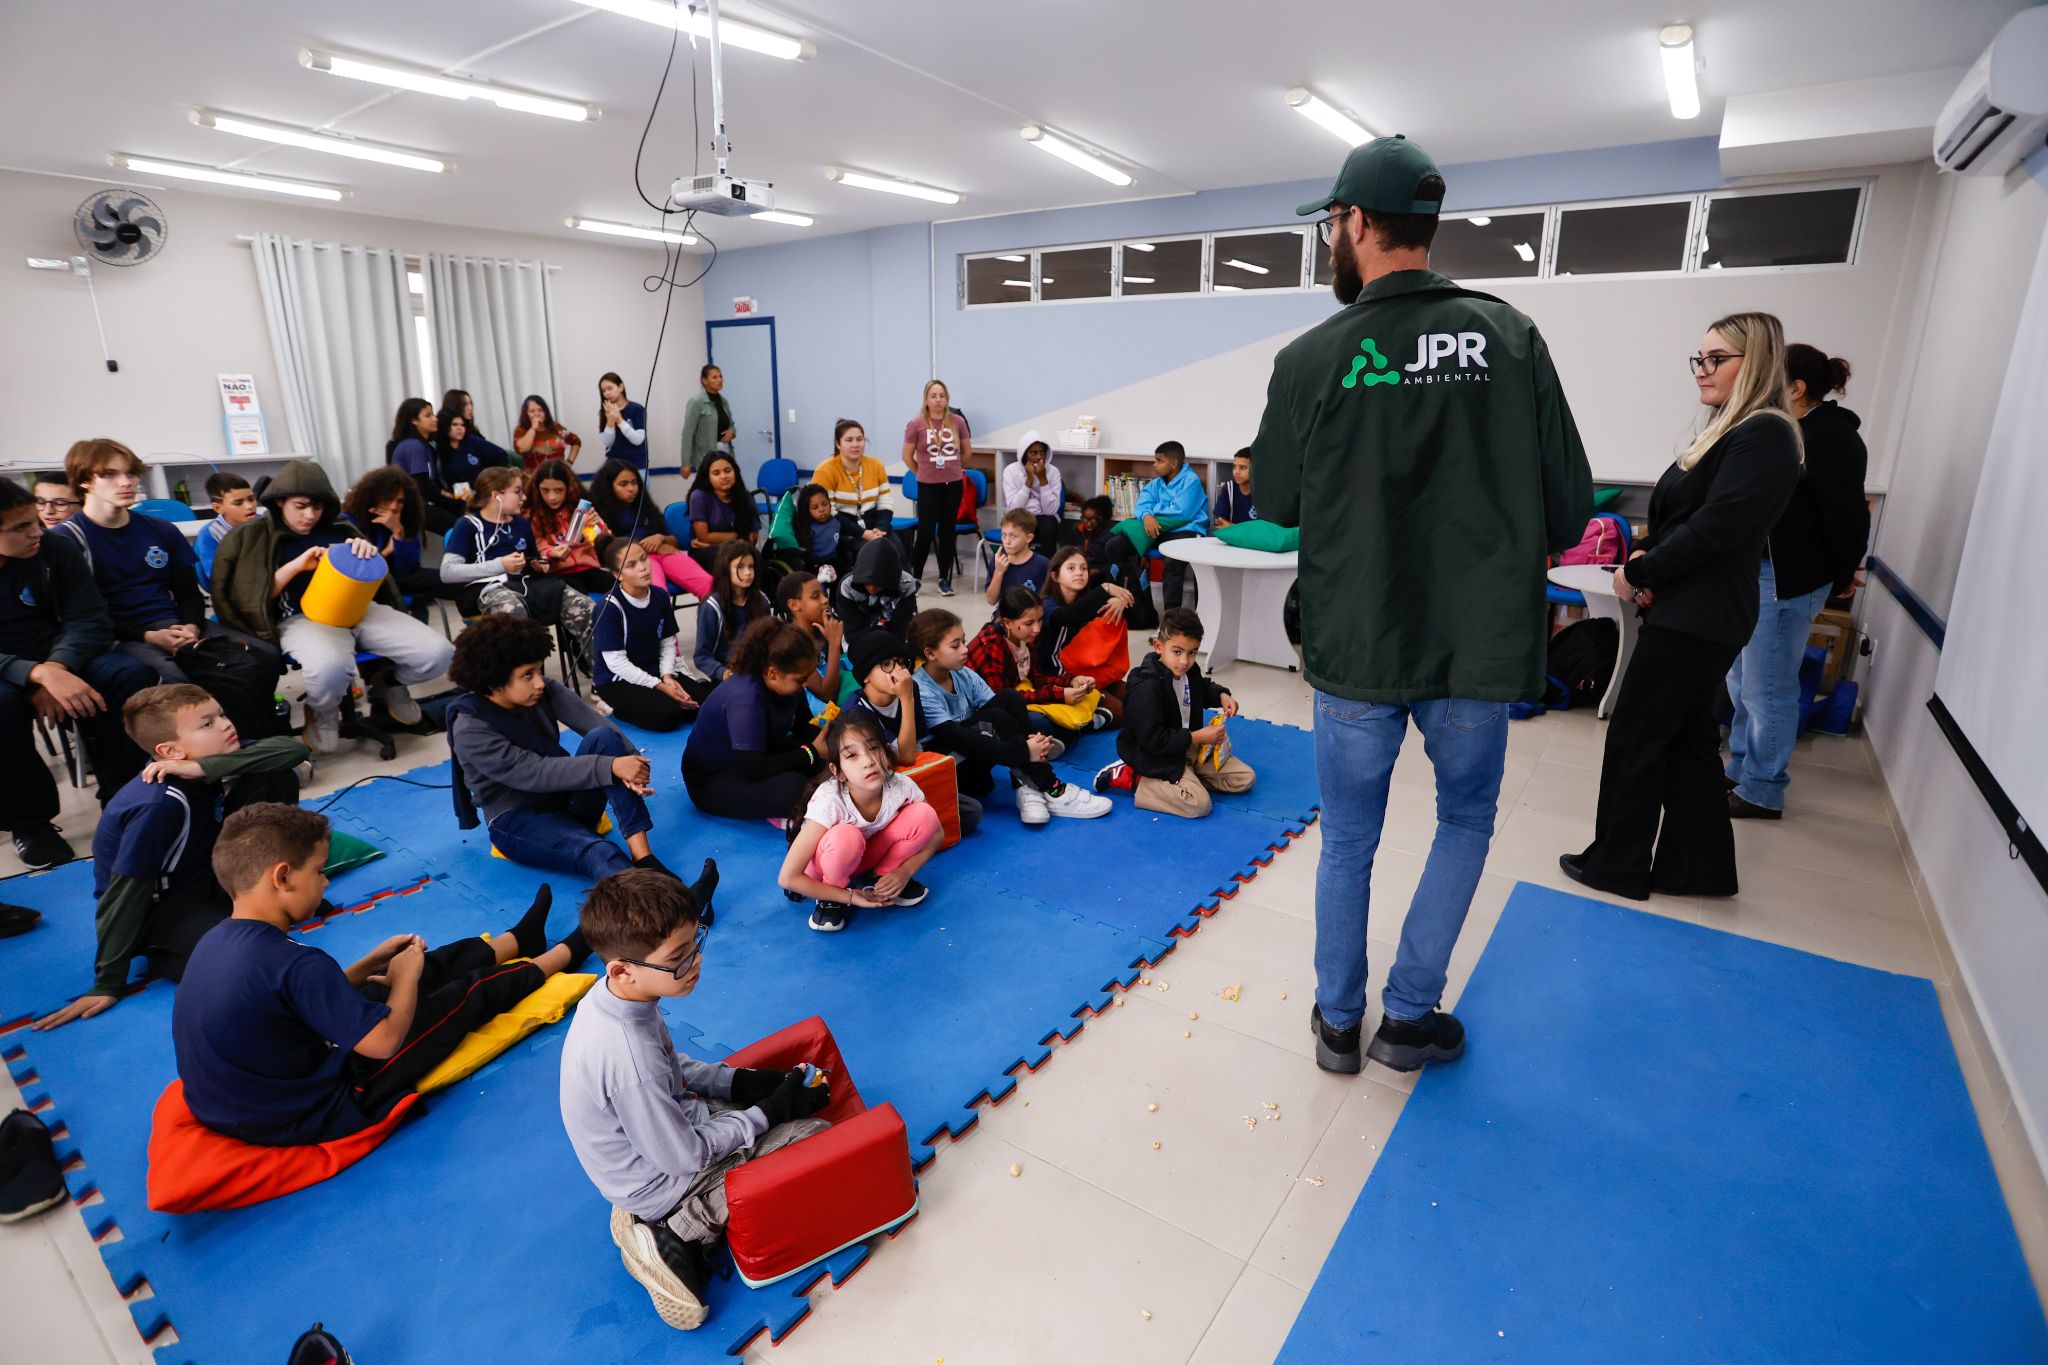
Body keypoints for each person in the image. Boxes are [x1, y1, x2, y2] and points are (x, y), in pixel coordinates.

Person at [1254, 134, 1593, 1076]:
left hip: (1357, 643)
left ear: (1355, 223)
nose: (1332, 234)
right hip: (1476, 652)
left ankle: (1336, 1022)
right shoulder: (1511, 337)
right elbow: (1570, 506)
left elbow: (1277, 503)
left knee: (1348, 837)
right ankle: (1409, 1017)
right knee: (1465, 818)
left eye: (1332, 221)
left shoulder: (1311, 357)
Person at [171, 803, 588, 1147]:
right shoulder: (295, 962)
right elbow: (384, 1043)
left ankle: (518, 940)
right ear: (282, 876)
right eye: (319, 871)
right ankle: (562, 956)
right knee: (460, 998)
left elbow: (291, 998)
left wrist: (369, 965)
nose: (324, 881)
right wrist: (405, 978)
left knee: (392, 973)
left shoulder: (219, 940)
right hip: (317, 1108)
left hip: (246, 1103)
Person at [1563, 313, 1802, 899]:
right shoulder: (1731, 429)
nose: (1703, 370)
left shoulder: (1765, 434)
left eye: (1717, 358)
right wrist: (1646, 551)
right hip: (1691, 608)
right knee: (1688, 740)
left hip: (1700, 616)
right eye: (1699, 359)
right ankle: (1699, 870)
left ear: (1758, 363)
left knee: (1637, 736)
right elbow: (1687, 518)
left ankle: (1616, 865)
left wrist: (1642, 570)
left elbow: (1717, 528)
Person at [559, 868, 831, 1330]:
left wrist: (742, 1084)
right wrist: (772, 1110)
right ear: (622, 969)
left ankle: (664, 1214)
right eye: (679, 958)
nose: (695, 964)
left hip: (665, 1133)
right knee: (814, 1136)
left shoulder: (617, 999)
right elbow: (684, 1154)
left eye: (695, 946)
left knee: (785, 1101)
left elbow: (672, 1065)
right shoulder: (626, 1056)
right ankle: (677, 1229)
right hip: (667, 1178)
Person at [32, 685, 307, 1029]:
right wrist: (108, 982)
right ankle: (168, 951)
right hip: (162, 906)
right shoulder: (158, 806)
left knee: (273, 772)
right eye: (206, 724)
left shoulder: (201, 763)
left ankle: (261, 893)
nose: (224, 724)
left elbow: (293, 748)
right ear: (170, 751)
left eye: (221, 714)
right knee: (241, 961)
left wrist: (204, 767)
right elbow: (125, 893)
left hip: (206, 873)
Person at [447, 614, 709, 893]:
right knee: (597, 852)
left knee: (604, 738)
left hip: (566, 800)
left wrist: (633, 765)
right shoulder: (471, 729)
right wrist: (612, 768)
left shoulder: (542, 691)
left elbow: (599, 727)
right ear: (493, 681)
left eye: (538, 670)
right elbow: (535, 772)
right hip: (518, 821)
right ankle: (665, 904)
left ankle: (644, 857)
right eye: (527, 675)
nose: (539, 682)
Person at [211, 459, 455, 754]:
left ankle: (387, 681)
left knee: (439, 654)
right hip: (302, 618)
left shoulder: (341, 528)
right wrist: (295, 567)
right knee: (330, 668)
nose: (310, 515)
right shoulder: (252, 537)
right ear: (279, 501)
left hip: (360, 610)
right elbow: (247, 597)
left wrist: (367, 556)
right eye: (300, 506)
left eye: (317, 507)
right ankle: (322, 711)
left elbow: (379, 581)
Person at [53, 439, 284, 741]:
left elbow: (188, 592)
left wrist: (190, 625)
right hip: (117, 635)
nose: (126, 482)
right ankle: (200, 760)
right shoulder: (66, 540)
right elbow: (81, 616)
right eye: (110, 474)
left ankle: (255, 743)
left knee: (263, 655)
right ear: (84, 480)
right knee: (174, 682)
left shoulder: (161, 529)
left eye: (131, 473)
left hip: (175, 624)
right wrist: (147, 636)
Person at [1724, 343, 1870, 820]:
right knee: (1743, 679)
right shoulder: (1792, 430)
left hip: (1789, 579)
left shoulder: (1830, 438)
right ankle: (1742, 768)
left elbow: (1847, 516)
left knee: (1768, 687)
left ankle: (1762, 789)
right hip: (1760, 572)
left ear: (1796, 388)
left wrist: (1845, 570)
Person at [0, 477, 156, 868]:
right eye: (19, 528)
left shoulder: (55, 547)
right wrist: (32, 675)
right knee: (2, 709)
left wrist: (55, 668)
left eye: (34, 519)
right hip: (7, 669)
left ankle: (124, 801)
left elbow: (90, 618)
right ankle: (30, 822)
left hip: (63, 655)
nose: (37, 530)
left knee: (128, 677)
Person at [908, 608, 1109, 825]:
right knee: (994, 718)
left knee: (1009, 698)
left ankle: (1028, 786)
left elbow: (1003, 712)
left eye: (964, 641)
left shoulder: (962, 673)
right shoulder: (921, 689)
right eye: (955, 645)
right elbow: (955, 738)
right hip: (949, 772)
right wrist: (1024, 750)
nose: (965, 650)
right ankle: (1053, 788)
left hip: (973, 762)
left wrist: (1026, 746)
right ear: (930, 654)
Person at [779, 710, 943, 933]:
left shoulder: (900, 785)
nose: (868, 761)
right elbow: (788, 877)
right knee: (846, 835)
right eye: (851, 756)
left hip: (864, 855)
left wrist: (905, 871)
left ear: (886, 751)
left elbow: (937, 833)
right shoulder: (830, 800)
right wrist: (849, 896)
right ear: (838, 772)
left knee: (924, 814)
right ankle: (830, 897)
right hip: (825, 865)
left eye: (873, 748)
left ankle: (882, 881)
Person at [1092, 608, 1254, 818]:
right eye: (1177, 652)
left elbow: (1202, 689)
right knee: (1199, 804)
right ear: (1159, 646)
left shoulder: (1188, 671)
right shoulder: (1146, 687)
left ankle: (1186, 778)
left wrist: (1222, 695)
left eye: (1192, 652)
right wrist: (1197, 737)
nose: (1184, 661)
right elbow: (1153, 739)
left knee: (1244, 778)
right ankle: (1133, 777)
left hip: (1187, 747)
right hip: (1155, 754)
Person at [440, 467, 596, 675]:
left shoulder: (521, 523)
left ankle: (602, 681)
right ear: (497, 495)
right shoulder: (468, 525)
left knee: (588, 607)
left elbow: (531, 559)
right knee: (513, 614)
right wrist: (499, 565)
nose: (523, 498)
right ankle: (525, 684)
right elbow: (448, 572)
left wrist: (540, 565)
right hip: (489, 588)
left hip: (527, 585)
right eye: (517, 492)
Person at [842, 628, 982, 837]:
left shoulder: (910, 688)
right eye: (887, 664)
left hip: (909, 778)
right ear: (865, 677)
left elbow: (916, 748)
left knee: (972, 811)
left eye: (900, 662)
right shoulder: (857, 711)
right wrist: (907, 699)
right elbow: (906, 757)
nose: (898, 671)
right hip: (877, 787)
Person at [682, 619, 826, 821]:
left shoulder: (789, 685)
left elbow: (803, 727)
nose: (805, 685)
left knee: (830, 760)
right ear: (773, 673)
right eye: (800, 680)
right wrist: (812, 752)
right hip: (714, 777)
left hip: (758, 753)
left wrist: (833, 738)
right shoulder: (746, 699)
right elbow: (754, 770)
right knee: (795, 789)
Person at [967, 587, 1110, 735]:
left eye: (1040, 620)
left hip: (1015, 692)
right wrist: (1060, 695)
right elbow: (1002, 697)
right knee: (1040, 722)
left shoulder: (1026, 638)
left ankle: (1078, 726)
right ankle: (1084, 724)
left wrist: (1072, 681)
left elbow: (1038, 679)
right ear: (1007, 623)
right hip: (987, 707)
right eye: (1029, 623)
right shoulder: (991, 644)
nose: (1036, 629)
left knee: (1091, 695)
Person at [593, 538, 700, 728]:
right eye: (631, 565)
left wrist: (667, 676)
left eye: (644, 559)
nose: (643, 568)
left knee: (701, 705)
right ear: (618, 574)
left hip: (655, 670)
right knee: (668, 715)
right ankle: (612, 706)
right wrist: (660, 687)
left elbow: (667, 643)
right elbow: (616, 663)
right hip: (617, 680)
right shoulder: (609, 608)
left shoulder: (659, 596)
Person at [1105, 441, 1208, 617]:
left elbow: (1182, 512)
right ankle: (1133, 603)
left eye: (1159, 461)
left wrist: (1152, 514)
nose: (1154, 465)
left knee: (1172, 560)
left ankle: (1171, 617)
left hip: (1186, 530)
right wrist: (1146, 516)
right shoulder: (1156, 483)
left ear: (1173, 464)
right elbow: (1141, 505)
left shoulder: (1191, 481)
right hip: (1158, 529)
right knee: (1114, 546)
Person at [590, 458, 712, 601]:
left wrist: (661, 538)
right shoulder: (597, 513)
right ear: (608, 486)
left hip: (664, 554)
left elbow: (673, 542)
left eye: (634, 483)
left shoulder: (644, 504)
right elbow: (607, 553)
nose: (631, 488)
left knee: (708, 583)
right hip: (636, 562)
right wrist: (646, 548)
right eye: (623, 484)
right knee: (658, 595)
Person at [1037, 546, 1133, 725]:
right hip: (1056, 677)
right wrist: (1106, 588)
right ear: (1055, 576)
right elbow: (1067, 617)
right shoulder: (1046, 604)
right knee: (1124, 714)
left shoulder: (1083, 601)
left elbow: (1134, 617)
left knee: (1136, 697)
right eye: (1071, 568)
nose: (1079, 573)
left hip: (1088, 672)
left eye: (1083, 568)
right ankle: (1093, 719)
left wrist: (1120, 602)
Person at [343, 465, 448, 609]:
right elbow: (356, 570)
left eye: (400, 501)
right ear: (373, 495)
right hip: (370, 584)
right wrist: (386, 551)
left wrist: (398, 532)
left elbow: (410, 569)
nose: (394, 506)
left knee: (450, 577)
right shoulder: (350, 521)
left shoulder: (404, 519)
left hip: (401, 579)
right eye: (389, 499)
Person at [902, 379, 969, 595]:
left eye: (942, 396)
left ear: (947, 399)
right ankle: (917, 577)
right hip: (928, 486)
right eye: (934, 396)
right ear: (926, 399)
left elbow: (967, 453)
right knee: (925, 532)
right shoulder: (916, 424)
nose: (938, 400)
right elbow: (906, 456)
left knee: (948, 532)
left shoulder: (957, 421)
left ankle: (943, 579)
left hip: (953, 485)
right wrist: (921, 472)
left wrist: (954, 468)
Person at [528, 459, 613, 593]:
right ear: (537, 489)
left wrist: (599, 524)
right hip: (560, 573)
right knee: (579, 595)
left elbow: (606, 541)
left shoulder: (580, 508)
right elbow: (538, 546)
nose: (552, 497)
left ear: (568, 488)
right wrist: (552, 552)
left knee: (620, 587)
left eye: (558, 490)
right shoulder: (534, 515)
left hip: (589, 568)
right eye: (545, 490)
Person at [694, 540, 771, 687]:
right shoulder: (712, 607)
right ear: (725, 569)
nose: (747, 573)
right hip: (729, 676)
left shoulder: (761, 600)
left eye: (751, 566)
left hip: (759, 670)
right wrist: (722, 672)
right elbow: (701, 656)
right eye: (740, 567)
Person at [811, 419, 895, 536]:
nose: (855, 445)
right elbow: (829, 512)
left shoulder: (876, 465)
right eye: (849, 440)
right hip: (841, 528)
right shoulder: (825, 470)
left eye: (859, 439)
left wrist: (880, 529)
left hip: (873, 524)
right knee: (871, 552)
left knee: (897, 551)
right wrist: (863, 534)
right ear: (838, 444)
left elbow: (885, 502)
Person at [385, 398, 453, 534]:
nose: (435, 419)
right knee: (461, 528)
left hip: (419, 503)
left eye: (433, 415)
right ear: (414, 420)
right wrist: (453, 503)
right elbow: (422, 487)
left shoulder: (424, 445)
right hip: (413, 507)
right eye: (428, 416)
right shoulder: (414, 446)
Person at [835, 534, 919, 642]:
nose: (872, 588)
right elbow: (851, 630)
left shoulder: (906, 583)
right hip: (859, 640)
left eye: (878, 583)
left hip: (893, 639)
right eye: (866, 582)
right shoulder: (847, 586)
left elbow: (902, 626)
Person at [775, 571, 843, 703]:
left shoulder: (822, 630)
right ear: (794, 605)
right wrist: (834, 642)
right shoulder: (792, 643)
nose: (825, 600)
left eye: (824, 594)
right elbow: (826, 693)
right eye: (815, 596)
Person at [685, 453, 760, 573]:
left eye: (727, 471)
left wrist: (719, 544)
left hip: (735, 548)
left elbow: (752, 537)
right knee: (727, 559)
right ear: (707, 476)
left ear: (735, 472)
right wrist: (738, 537)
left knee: (755, 558)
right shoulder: (699, 496)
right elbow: (703, 536)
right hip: (704, 551)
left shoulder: (746, 497)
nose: (724, 476)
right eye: (716, 473)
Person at [1001, 432, 1066, 554]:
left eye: (1042, 452)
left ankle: (1047, 569)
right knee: (1014, 526)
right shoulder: (1010, 471)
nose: (1039, 457)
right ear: (1024, 454)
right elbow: (1014, 509)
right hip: (1018, 517)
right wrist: (1029, 482)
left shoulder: (1053, 472)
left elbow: (1050, 511)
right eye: (1033, 453)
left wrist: (1043, 480)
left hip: (1043, 518)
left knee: (1049, 524)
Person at [196, 471, 258, 586]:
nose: (249, 506)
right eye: (238, 503)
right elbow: (217, 577)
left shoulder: (265, 523)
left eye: (251, 499)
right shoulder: (210, 534)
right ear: (218, 508)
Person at [792, 483, 862, 584]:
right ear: (807, 510)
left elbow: (856, 530)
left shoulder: (836, 520)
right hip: (814, 565)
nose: (821, 509)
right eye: (815, 507)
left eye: (825, 504)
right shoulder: (804, 527)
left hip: (834, 560)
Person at [429, 406, 488, 524]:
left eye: (462, 425)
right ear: (445, 426)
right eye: (455, 425)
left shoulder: (469, 446)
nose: (460, 428)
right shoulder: (436, 450)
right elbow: (434, 480)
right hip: (451, 501)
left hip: (475, 497)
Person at [984, 507, 1051, 605]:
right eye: (1004, 535)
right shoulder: (998, 561)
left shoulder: (1042, 564)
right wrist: (998, 572)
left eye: (1013, 536)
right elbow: (991, 600)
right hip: (1004, 615)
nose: (1007, 541)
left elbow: (1047, 599)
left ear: (1028, 538)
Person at [681, 364, 735, 479]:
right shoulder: (696, 402)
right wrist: (685, 463)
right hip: (706, 457)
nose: (719, 380)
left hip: (725, 453)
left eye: (720, 376)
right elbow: (687, 434)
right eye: (714, 377)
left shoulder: (723, 401)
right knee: (709, 492)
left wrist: (732, 432)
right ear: (704, 381)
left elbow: (731, 425)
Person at [442, 388, 513, 468]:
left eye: (471, 404)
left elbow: (499, 454)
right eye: (465, 404)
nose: (470, 408)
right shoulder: (447, 438)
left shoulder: (471, 434)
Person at [514, 394, 582, 473]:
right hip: (532, 479)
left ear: (545, 412)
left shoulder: (556, 428)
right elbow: (523, 449)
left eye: (540, 410)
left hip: (558, 475)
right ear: (526, 414)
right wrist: (533, 429)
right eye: (532, 411)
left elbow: (576, 441)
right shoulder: (521, 431)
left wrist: (569, 462)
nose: (537, 414)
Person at [597, 372, 649, 471]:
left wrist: (620, 420)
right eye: (603, 391)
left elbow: (638, 440)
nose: (607, 393)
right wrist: (610, 422)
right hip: (613, 466)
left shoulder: (637, 409)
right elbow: (608, 443)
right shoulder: (604, 411)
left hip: (637, 466)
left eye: (610, 388)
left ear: (620, 387)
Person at [1213, 447, 1258, 528]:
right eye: (1234, 467)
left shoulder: (1264, 492)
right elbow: (1219, 523)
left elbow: (1264, 530)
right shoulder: (1229, 488)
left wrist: (1232, 527)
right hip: (1231, 540)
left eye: (1243, 468)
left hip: (1256, 540)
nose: (1236, 472)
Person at [1074, 495, 1117, 579]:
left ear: (1100, 518)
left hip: (1101, 577)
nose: (1088, 524)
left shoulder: (1109, 535)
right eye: (1085, 519)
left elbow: (1115, 566)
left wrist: (1098, 571)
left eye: (1093, 520)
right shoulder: (1078, 532)